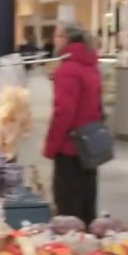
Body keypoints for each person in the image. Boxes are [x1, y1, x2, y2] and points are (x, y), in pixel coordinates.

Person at [42, 21, 103, 223]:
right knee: (87, 202)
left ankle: (70, 249)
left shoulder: (68, 70)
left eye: (57, 36)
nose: (54, 40)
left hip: (70, 148)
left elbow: (64, 113)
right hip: (89, 147)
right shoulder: (90, 65)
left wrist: (50, 147)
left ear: (66, 40)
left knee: (68, 208)